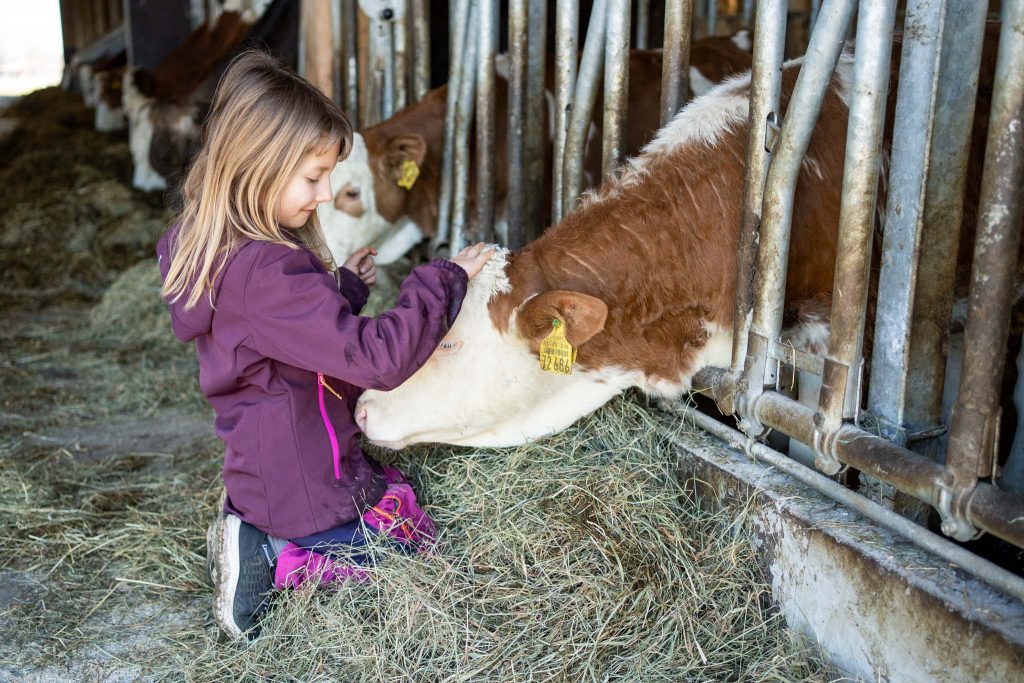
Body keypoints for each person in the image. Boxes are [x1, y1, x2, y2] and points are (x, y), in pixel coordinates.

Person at [156, 50, 493, 640]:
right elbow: (375, 359)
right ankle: (273, 559)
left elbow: (277, 331)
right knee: (410, 549)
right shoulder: (265, 272)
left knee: (396, 500)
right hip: (306, 482)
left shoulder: (225, 252)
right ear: (257, 167)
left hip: (270, 468)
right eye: (313, 178)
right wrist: (443, 281)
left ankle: (255, 527)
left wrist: (343, 287)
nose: (322, 194)